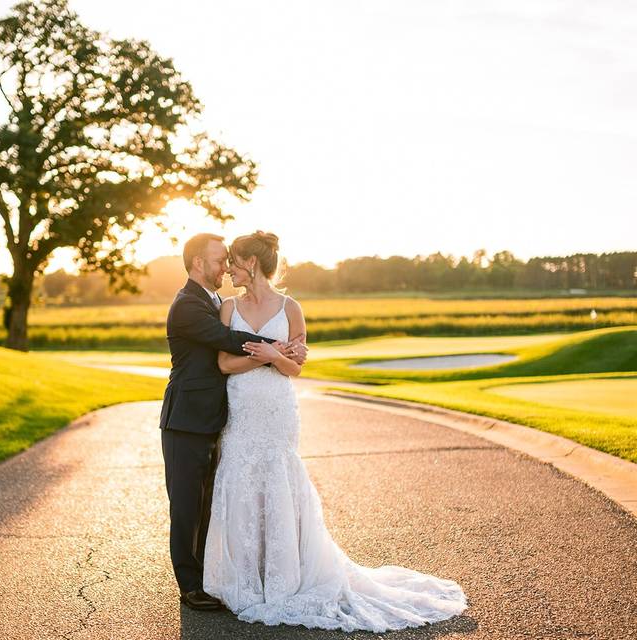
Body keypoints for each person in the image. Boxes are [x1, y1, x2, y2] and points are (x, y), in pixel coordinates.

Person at [202, 230, 469, 632]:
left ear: (251, 263)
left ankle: (284, 575)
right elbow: (223, 364)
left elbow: (295, 367)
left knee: (278, 480)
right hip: (242, 411)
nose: (230, 271)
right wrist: (268, 355)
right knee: (241, 480)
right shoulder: (228, 308)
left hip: (277, 412)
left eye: (235, 263)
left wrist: (276, 355)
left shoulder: (291, 308)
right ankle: (245, 577)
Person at [159, 232, 309, 611]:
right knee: (186, 505)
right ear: (197, 263)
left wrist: (287, 351)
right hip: (186, 419)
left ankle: (220, 575)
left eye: (230, 259)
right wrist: (275, 347)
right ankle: (191, 586)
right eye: (218, 259)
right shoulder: (188, 306)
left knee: (213, 501)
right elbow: (224, 340)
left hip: (220, 417)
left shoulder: (213, 299)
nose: (225, 265)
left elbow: (286, 365)